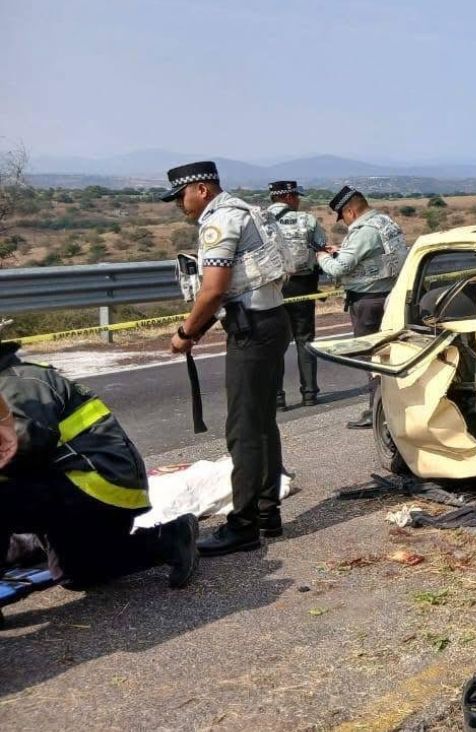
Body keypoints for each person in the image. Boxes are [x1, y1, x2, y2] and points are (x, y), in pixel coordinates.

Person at [0, 329, 198, 588]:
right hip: (91, 489)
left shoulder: (16, 383)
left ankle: (27, 544)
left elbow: (23, 451)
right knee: (77, 574)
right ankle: (167, 539)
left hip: (97, 488)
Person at [162, 161, 291, 554]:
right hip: (271, 321)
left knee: (244, 429)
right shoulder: (249, 210)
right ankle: (268, 513)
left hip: (251, 329)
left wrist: (186, 332)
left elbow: (213, 289)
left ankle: (244, 524)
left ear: (201, 189)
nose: (180, 205)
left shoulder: (220, 221)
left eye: (181, 196)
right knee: (262, 422)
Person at [318, 186, 408, 430]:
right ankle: (392, 407)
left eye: (343, 216)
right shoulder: (384, 222)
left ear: (350, 211)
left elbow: (338, 269)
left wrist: (322, 256)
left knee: (371, 360)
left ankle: (378, 412)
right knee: (390, 355)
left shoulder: (363, 231)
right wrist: (342, 251)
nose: (345, 222)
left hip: (368, 301)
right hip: (391, 295)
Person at [267, 180, 327, 410]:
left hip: (272, 287)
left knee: (275, 343)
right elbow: (321, 246)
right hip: (302, 285)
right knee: (305, 339)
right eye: (296, 196)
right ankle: (310, 394)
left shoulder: (260, 220)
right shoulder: (306, 220)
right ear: (290, 197)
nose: (298, 200)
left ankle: (277, 398)